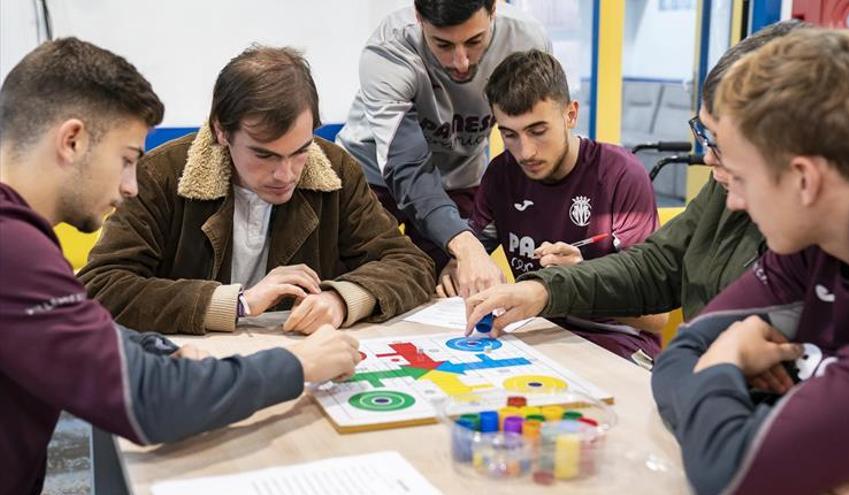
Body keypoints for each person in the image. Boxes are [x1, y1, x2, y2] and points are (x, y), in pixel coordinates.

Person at [0, 38, 361, 495]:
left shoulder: (19, 239)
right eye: (127, 159)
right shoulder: (13, 250)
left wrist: (154, 352)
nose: (131, 185)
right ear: (72, 140)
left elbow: (85, 329)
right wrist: (297, 364)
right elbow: (151, 402)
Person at [463, 20, 806, 336]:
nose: (708, 158)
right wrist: (545, 288)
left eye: (722, 142)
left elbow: (688, 333)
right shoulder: (723, 189)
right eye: (704, 134)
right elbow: (658, 266)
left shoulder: (822, 250)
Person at [651, 28, 849, 494]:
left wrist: (725, 359)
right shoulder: (809, 252)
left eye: (740, 176)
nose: (734, 201)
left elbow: (729, 472)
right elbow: (674, 362)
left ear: (803, 180)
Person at [77, 45, 435, 335]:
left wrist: (344, 299)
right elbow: (100, 286)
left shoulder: (334, 169)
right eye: (264, 154)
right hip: (190, 370)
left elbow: (410, 263)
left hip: (300, 364)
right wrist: (237, 303)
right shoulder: (161, 175)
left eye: (299, 151)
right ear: (221, 131)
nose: (285, 173)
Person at [438, 49, 666, 361]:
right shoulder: (501, 174)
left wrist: (581, 278)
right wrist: (456, 269)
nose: (525, 151)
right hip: (535, 334)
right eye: (509, 135)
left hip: (615, 342)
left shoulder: (621, 175)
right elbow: (471, 254)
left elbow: (656, 318)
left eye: (538, 131)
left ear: (570, 114)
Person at [336, 0, 550, 297]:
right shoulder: (388, 50)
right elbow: (406, 166)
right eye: (443, 44)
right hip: (375, 175)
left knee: (450, 287)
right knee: (358, 286)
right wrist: (464, 243)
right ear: (419, 18)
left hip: (460, 173)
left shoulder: (526, 41)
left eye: (474, 41)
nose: (460, 61)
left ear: (493, 11)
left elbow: (535, 141)